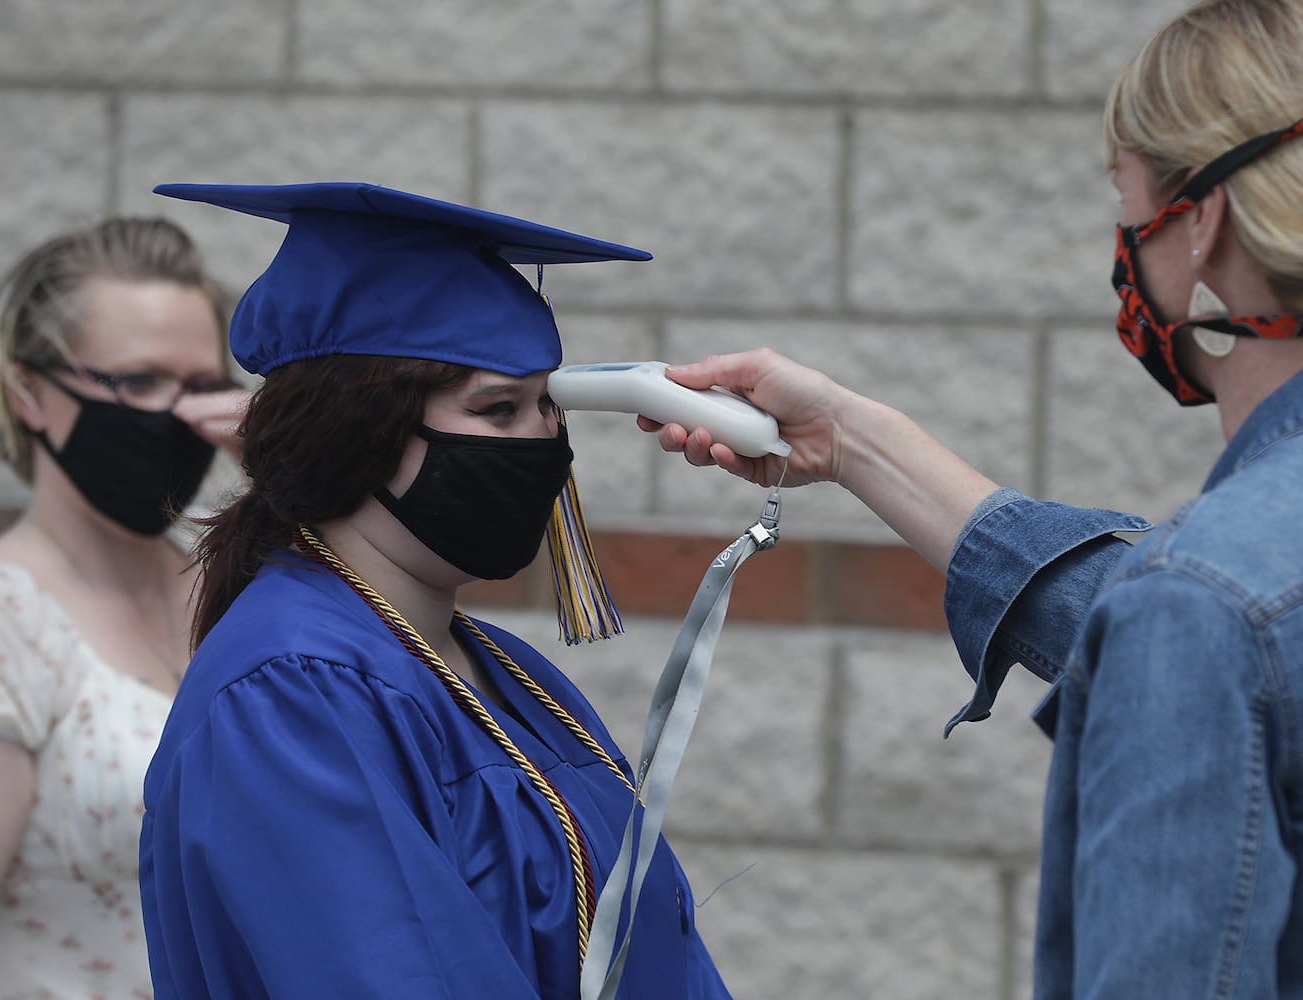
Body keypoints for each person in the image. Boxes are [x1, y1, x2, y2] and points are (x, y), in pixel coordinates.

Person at [647, 0, 1303, 995]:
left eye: (1122, 194)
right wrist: (856, 441)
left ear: (1200, 220)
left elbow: (1191, 625)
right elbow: (1178, 622)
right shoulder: (1217, 597)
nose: (1122, 234)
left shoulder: (1199, 609)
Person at [138, 181, 732, 999]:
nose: (544, 443)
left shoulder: (505, 670)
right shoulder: (292, 693)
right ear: (360, 430)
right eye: (498, 410)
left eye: (547, 407)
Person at [0, 218, 247, 999]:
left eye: (203, 386)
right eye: (139, 383)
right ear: (28, 391)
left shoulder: (236, 591)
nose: (177, 415)